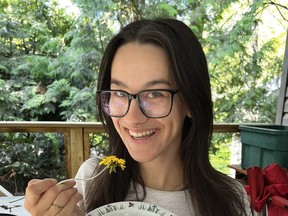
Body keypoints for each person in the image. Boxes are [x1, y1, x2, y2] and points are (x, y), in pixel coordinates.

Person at [24, 18, 252, 216]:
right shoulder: (92, 179)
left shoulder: (232, 199)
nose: (132, 117)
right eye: (119, 93)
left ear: (191, 102)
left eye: (155, 93)